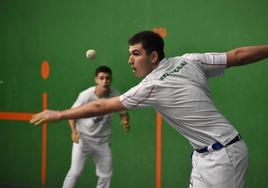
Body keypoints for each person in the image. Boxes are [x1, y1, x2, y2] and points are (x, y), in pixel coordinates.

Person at [30, 31, 268, 188]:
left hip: (224, 156)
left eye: (136, 54)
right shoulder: (189, 60)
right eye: (129, 54)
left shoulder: (151, 85)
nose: (130, 61)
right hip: (203, 156)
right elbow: (236, 56)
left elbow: (102, 105)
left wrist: (60, 114)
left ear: (153, 56)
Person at [62, 66, 130, 188]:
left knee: (106, 175)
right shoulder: (86, 95)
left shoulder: (116, 95)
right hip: (83, 139)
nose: (105, 81)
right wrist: (73, 131)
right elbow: (72, 115)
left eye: (107, 78)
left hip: (102, 142)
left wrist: (125, 121)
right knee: (75, 172)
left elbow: (123, 113)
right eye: (101, 78)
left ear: (111, 80)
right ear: (96, 80)